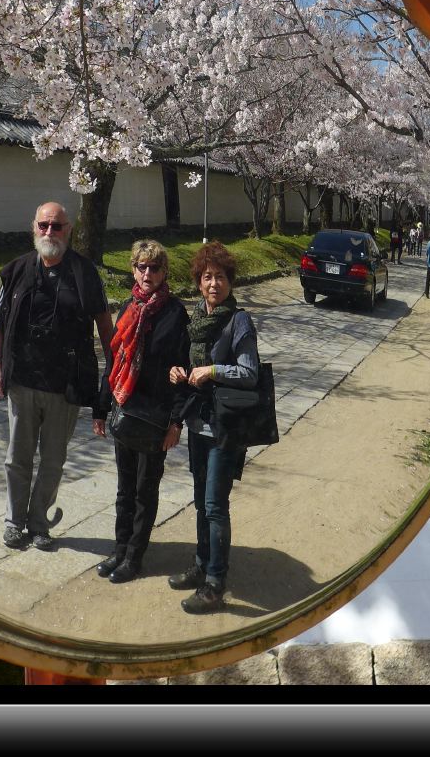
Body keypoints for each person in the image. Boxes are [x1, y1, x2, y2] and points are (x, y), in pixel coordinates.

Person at [0, 202, 114, 551]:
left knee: (54, 459)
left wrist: (113, 370)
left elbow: (105, 324)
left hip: (65, 384)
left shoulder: (85, 273)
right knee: (17, 457)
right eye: (43, 225)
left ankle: (39, 522)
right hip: (22, 380)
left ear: (69, 230)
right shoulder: (16, 270)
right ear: (33, 228)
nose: (49, 233)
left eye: (56, 227)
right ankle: (14, 522)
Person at [168, 241, 259, 614]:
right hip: (197, 423)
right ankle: (202, 564)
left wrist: (214, 371)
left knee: (215, 505)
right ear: (198, 282)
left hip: (224, 428)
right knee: (199, 502)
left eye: (220, 277)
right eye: (207, 277)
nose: (213, 284)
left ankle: (215, 582)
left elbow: (250, 373)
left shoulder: (239, 321)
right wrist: (178, 371)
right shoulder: (196, 321)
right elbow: (187, 364)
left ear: (230, 282)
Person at [92, 240, 190, 583]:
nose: (148, 273)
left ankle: (134, 557)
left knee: (145, 491)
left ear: (164, 274)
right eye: (142, 267)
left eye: (155, 268)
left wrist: (176, 421)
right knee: (124, 488)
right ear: (134, 269)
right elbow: (114, 360)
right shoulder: (129, 309)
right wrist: (101, 408)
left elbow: (183, 369)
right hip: (125, 408)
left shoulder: (175, 313)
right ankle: (119, 550)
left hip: (155, 416)